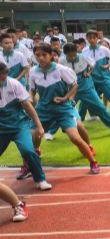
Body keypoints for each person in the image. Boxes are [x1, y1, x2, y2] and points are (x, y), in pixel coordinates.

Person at [28, 42, 101, 174]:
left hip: (63, 109)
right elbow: (32, 90)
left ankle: (93, 161)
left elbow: (74, 86)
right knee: (33, 135)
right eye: (37, 55)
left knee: (75, 137)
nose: (41, 58)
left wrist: (65, 98)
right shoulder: (33, 72)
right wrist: (30, 99)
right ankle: (30, 160)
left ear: (51, 55)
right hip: (44, 110)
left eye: (44, 55)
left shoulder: (62, 70)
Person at [0, 62, 52, 190]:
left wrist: (39, 126)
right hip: (1, 128)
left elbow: (28, 106)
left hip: (19, 125)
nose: (3, 78)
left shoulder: (14, 84)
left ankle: (40, 179)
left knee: (28, 151)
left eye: (4, 76)